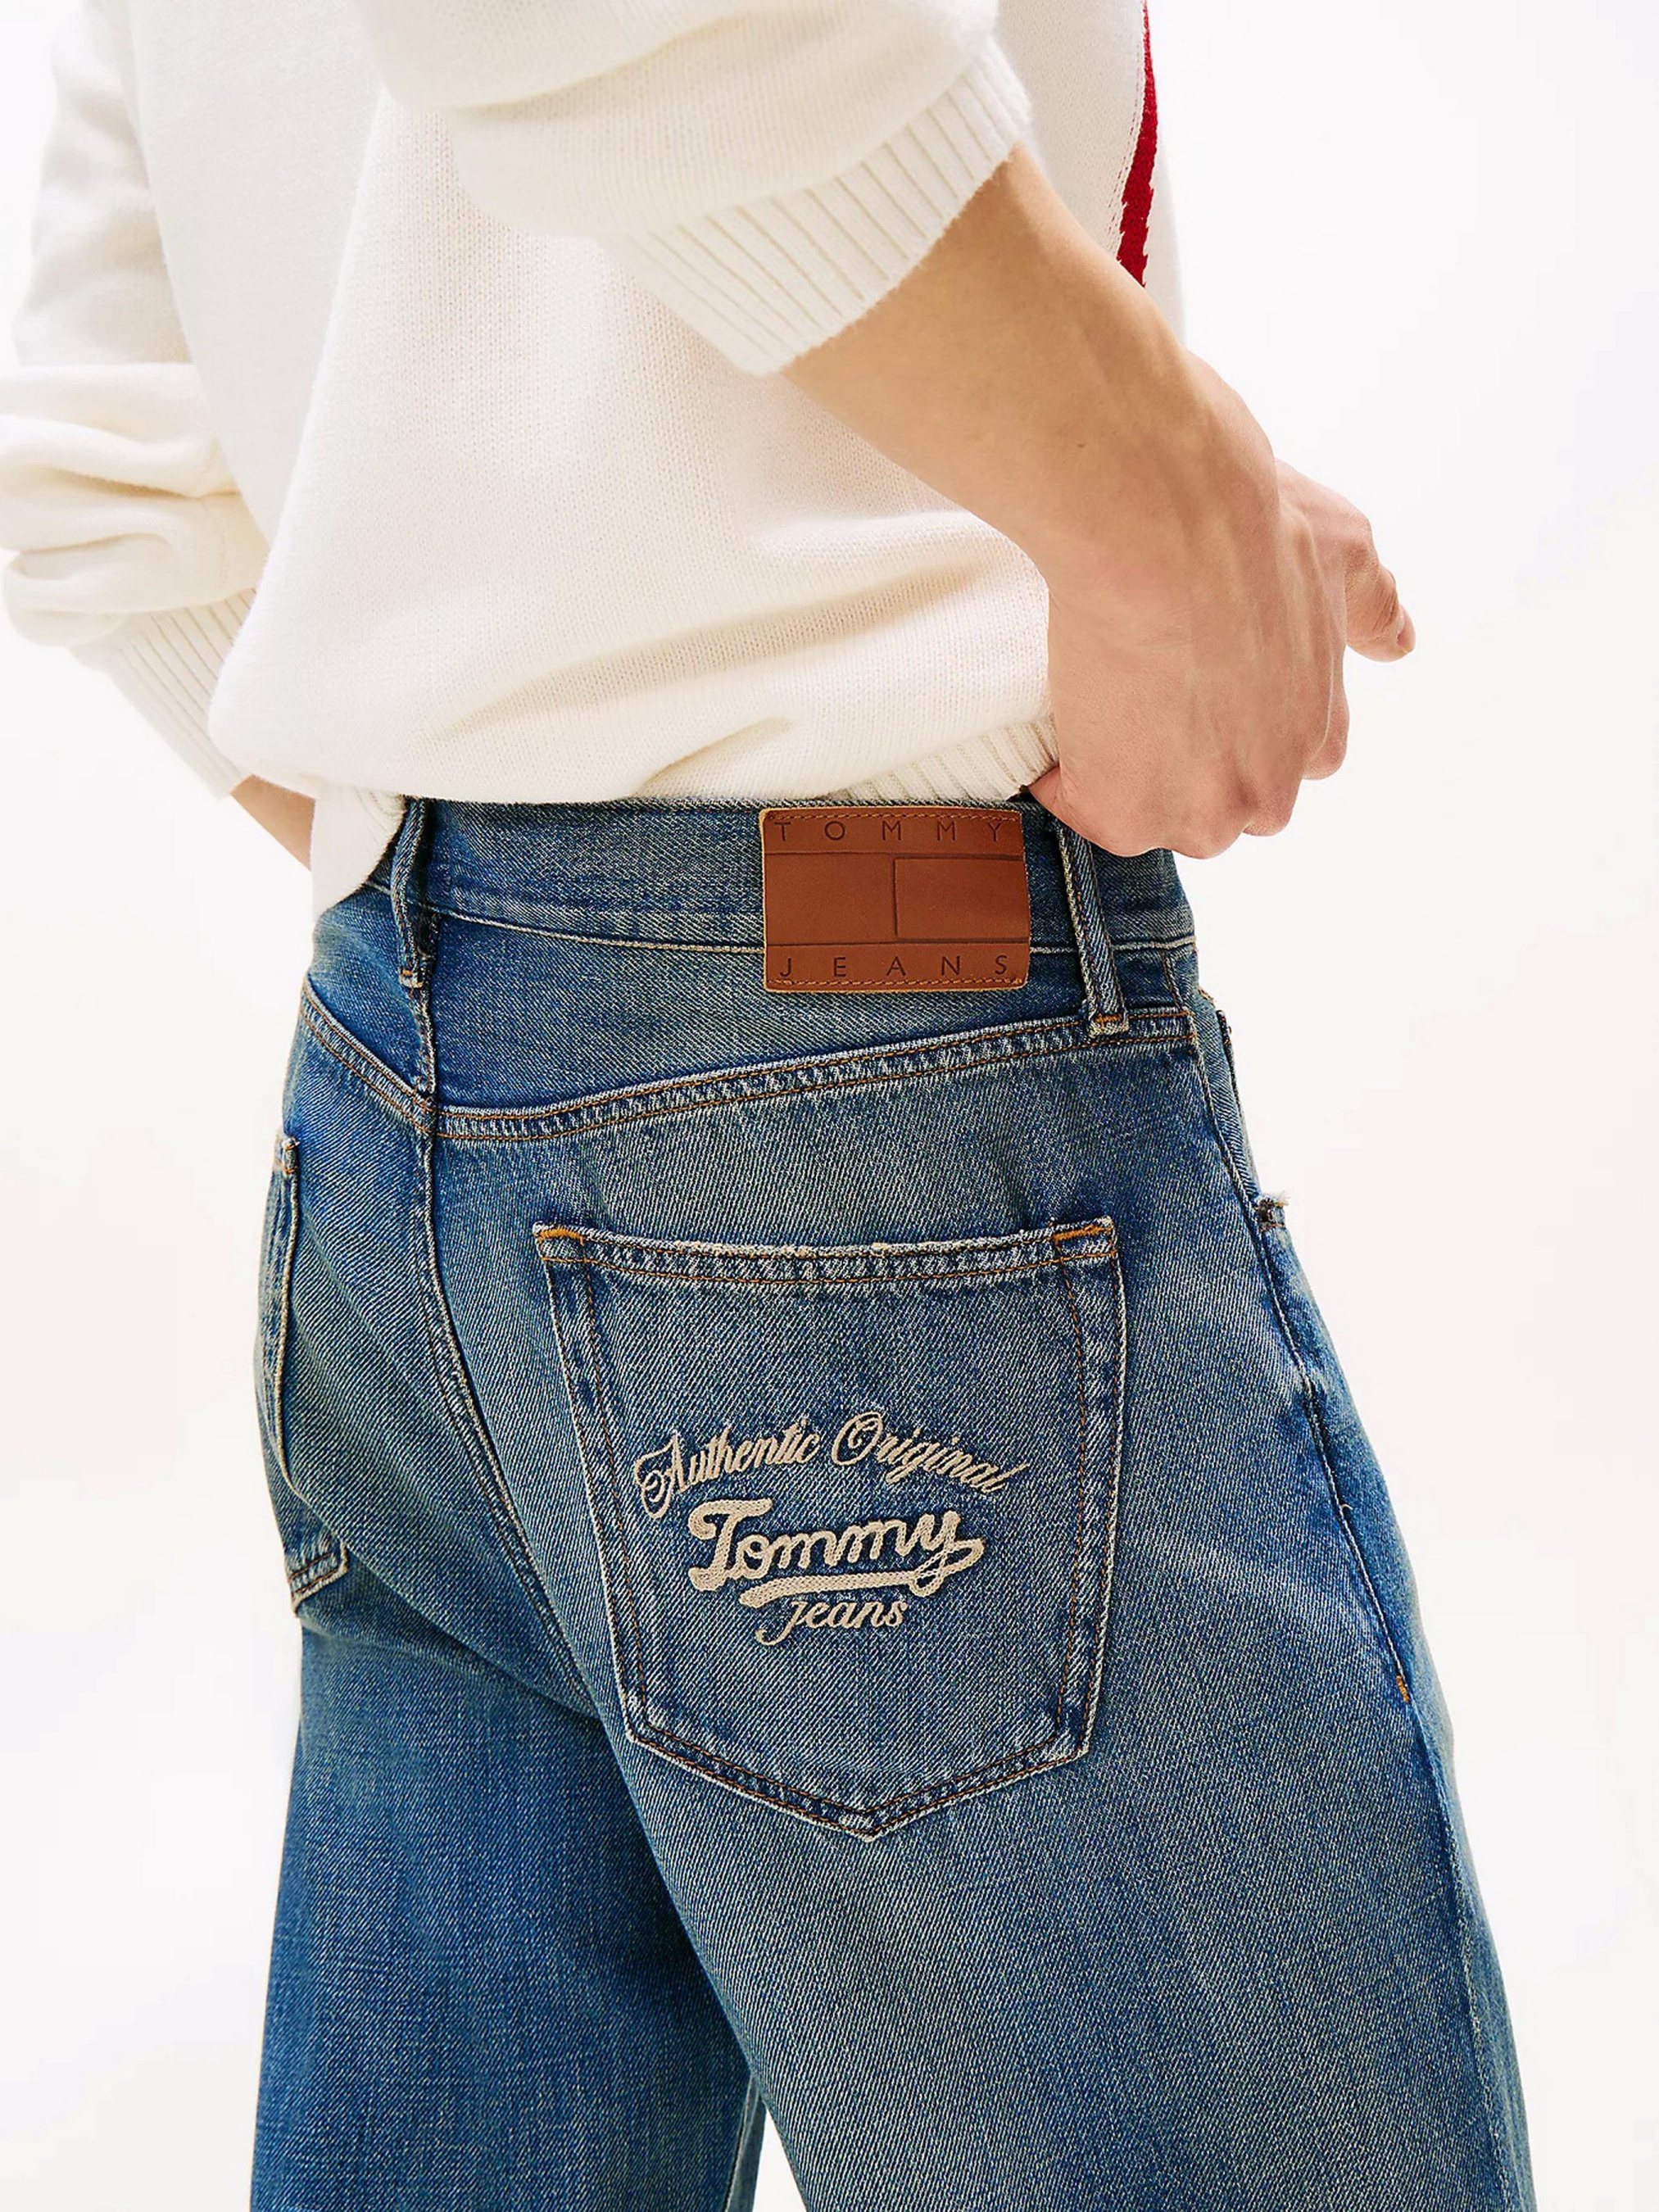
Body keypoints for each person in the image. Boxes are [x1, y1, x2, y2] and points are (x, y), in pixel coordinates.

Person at [0, 5, 1534, 2208]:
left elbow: (105, 467)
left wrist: (526, 903)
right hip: (869, 1143)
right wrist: (1150, 498)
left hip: (401, 1105)